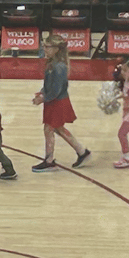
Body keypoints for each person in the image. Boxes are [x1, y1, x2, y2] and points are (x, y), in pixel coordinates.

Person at [31, 34, 91, 171]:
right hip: (54, 101)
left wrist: (43, 98)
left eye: (47, 46)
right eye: (44, 46)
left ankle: (49, 160)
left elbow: (56, 90)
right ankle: (82, 152)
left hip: (57, 102)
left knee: (49, 129)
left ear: (57, 49)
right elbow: (50, 85)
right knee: (57, 129)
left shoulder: (58, 67)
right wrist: (42, 91)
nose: (44, 49)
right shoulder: (53, 63)